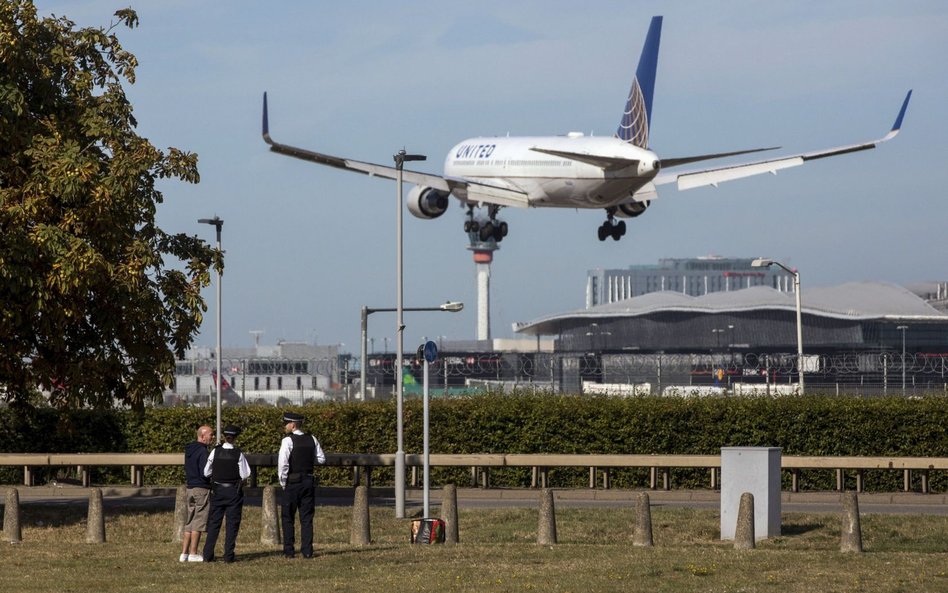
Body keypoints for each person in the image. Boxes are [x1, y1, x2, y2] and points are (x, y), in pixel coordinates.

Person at [278, 411, 326, 559]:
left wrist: (283, 482)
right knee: (306, 518)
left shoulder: (287, 441)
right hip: (308, 481)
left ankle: (289, 551)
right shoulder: (312, 439)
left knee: (288, 517)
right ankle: (307, 550)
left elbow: (283, 464)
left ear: (293, 425)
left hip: (292, 482)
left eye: (286, 423)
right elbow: (321, 459)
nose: (285, 426)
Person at [202, 425, 251, 563]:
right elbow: (245, 473)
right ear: (235, 437)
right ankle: (228, 556)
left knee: (214, 523)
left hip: (217, 491)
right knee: (232, 524)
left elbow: (206, 472)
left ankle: (207, 554)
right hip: (233, 492)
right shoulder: (238, 454)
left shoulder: (215, 452)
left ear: (224, 437)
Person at [180, 425, 213, 562]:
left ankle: (184, 553)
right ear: (203, 435)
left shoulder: (190, 450)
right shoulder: (203, 452)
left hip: (190, 488)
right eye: (211, 434)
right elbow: (205, 472)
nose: (212, 437)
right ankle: (193, 553)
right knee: (198, 521)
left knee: (190, 520)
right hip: (201, 488)